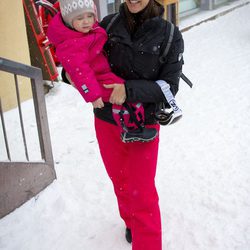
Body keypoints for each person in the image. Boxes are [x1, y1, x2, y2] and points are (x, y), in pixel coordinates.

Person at [94, 1, 184, 250]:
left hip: (143, 124)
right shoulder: (107, 25)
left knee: (141, 192)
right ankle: (130, 221)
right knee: (120, 181)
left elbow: (170, 87)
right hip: (107, 120)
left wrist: (129, 90)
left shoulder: (169, 35)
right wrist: (70, 75)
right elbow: (85, 59)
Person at [47, 0, 158, 143]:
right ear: (69, 22)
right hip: (99, 80)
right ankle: (133, 130)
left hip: (103, 73)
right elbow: (81, 72)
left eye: (90, 16)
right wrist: (92, 95)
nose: (86, 21)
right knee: (127, 95)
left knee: (128, 93)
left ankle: (133, 126)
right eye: (80, 18)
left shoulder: (86, 32)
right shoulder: (71, 45)